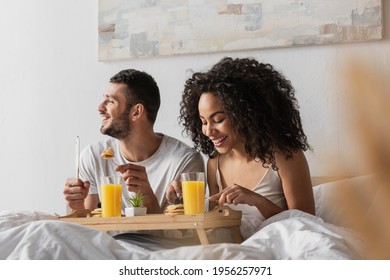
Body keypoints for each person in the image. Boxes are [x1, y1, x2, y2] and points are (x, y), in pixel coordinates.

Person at [169, 57, 315, 239]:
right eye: (203, 121)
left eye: (218, 120)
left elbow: (307, 222)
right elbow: (215, 223)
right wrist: (182, 201)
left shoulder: (285, 155)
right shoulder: (215, 163)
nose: (208, 131)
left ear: (245, 114)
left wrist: (257, 201)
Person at [63, 69, 204, 214]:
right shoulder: (93, 156)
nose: (100, 108)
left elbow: (180, 234)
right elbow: (90, 227)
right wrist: (76, 206)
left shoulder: (185, 161)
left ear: (136, 112)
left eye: (110, 101)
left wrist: (148, 198)